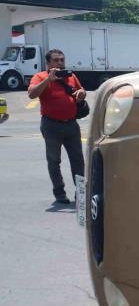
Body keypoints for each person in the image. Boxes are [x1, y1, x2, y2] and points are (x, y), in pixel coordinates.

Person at [28, 49, 86, 204]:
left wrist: (81, 93)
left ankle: (81, 193)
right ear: (48, 63)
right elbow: (32, 94)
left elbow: (81, 90)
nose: (60, 63)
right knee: (54, 160)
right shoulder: (40, 77)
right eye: (56, 60)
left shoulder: (71, 76)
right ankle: (59, 192)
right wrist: (48, 80)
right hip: (51, 125)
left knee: (78, 161)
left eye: (62, 59)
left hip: (71, 125)